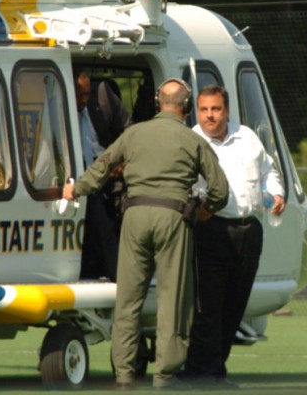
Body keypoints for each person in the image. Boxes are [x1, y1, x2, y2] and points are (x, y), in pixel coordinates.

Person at [63, 78, 229, 390]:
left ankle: (124, 375)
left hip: (135, 216)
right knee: (172, 300)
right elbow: (220, 191)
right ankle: (164, 376)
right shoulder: (193, 141)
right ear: (186, 106)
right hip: (174, 217)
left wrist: (75, 189)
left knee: (128, 299)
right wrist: (203, 210)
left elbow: (101, 167)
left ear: (157, 103)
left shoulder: (134, 133)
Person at [181, 84, 285, 388]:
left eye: (215, 109)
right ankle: (197, 373)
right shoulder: (190, 141)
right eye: (204, 109)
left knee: (234, 308)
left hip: (250, 231)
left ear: (227, 111)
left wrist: (276, 193)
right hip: (211, 229)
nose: (209, 116)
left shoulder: (247, 137)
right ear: (197, 111)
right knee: (207, 309)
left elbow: (269, 171)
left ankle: (215, 372)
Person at [74, 70, 131, 280]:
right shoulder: (58, 110)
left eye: (86, 94)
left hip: (108, 168)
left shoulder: (102, 97)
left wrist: (122, 161)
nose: (83, 100)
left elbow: (130, 132)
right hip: (84, 178)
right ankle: (119, 276)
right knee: (99, 217)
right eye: (79, 95)